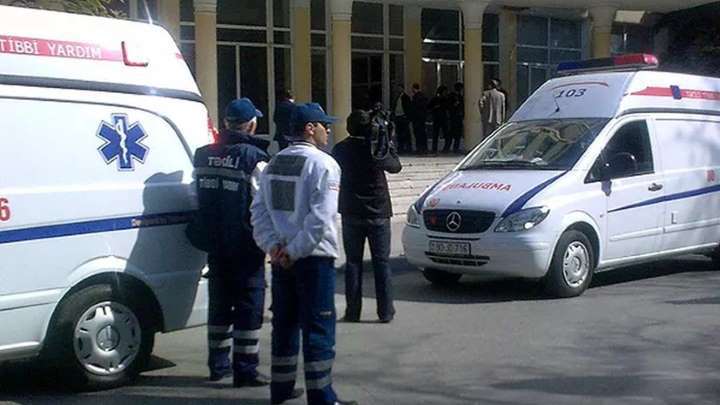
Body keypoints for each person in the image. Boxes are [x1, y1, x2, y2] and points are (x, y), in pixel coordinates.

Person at [251, 103, 357, 405]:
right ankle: (322, 397)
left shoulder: (273, 163)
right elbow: (321, 218)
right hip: (313, 259)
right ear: (310, 129)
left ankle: (281, 390)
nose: (328, 131)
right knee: (319, 329)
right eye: (324, 125)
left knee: (284, 325)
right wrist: (294, 251)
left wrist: (274, 247)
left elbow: (258, 212)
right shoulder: (324, 164)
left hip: (281, 258)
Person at [190, 97, 271, 387]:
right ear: (251, 125)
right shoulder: (254, 158)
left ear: (226, 123)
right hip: (246, 246)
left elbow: (194, 196)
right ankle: (245, 369)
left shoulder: (203, 155)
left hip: (215, 244)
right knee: (249, 306)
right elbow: (264, 204)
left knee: (220, 305)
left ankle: (218, 365)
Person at [332, 110, 401, 324]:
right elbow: (395, 166)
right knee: (381, 263)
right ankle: (385, 311)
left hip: (351, 211)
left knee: (353, 262)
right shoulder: (377, 148)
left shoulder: (341, 148)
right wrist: (388, 141)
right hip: (378, 212)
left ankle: (353, 311)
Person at [428, 85, 450, 154]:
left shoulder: (445, 99)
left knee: (446, 134)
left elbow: (448, 107)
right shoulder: (435, 99)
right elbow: (429, 107)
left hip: (443, 118)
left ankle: (446, 148)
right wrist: (435, 108)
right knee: (436, 134)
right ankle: (434, 149)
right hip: (437, 118)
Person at [391, 84, 413, 154]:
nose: (399, 90)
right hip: (398, 117)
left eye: (400, 88)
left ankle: (408, 148)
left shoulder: (406, 97)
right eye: (398, 88)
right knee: (399, 133)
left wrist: (407, 116)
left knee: (406, 133)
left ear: (403, 89)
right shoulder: (397, 97)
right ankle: (401, 148)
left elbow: (408, 107)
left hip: (403, 117)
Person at [410, 83, 428, 154]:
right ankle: (423, 148)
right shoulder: (422, 96)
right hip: (421, 118)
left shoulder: (417, 97)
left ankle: (420, 148)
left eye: (412, 88)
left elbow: (415, 107)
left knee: (418, 133)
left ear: (414, 88)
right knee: (422, 133)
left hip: (417, 118)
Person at [446, 82, 464, 153]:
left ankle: (455, 148)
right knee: (451, 134)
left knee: (458, 134)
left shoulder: (460, 96)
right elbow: (448, 106)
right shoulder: (451, 96)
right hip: (453, 117)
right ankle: (447, 148)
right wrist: (454, 105)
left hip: (458, 117)